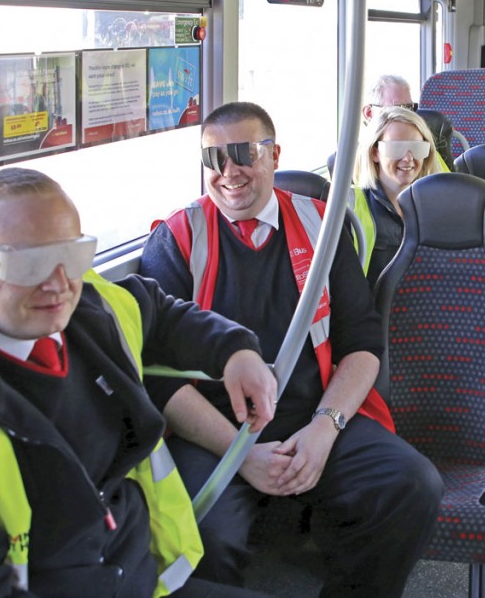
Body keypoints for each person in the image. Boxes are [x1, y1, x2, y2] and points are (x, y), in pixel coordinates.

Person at [0, 168, 278, 598]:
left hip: (144, 576)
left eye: (73, 255)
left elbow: (161, 315)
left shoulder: (91, 306)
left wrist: (236, 351)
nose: (57, 284)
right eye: (27, 262)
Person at [139, 102, 444, 596]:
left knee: (412, 486)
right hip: (214, 434)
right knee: (200, 535)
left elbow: (362, 344)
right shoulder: (176, 239)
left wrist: (325, 428)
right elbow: (157, 378)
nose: (229, 172)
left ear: (275, 154)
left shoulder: (322, 228)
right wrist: (242, 456)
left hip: (314, 413)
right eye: (214, 158)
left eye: (244, 154)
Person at [351, 106, 446, 288]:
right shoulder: (351, 208)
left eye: (417, 148)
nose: (408, 158)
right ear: (374, 152)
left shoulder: (438, 206)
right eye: (397, 148)